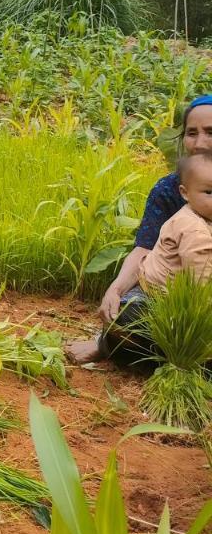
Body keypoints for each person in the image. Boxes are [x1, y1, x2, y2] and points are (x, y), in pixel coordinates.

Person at [67, 95, 212, 366]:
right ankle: (120, 344)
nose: (200, 142)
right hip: (165, 296)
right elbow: (144, 248)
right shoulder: (169, 189)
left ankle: (172, 357)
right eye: (192, 133)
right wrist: (116, 289)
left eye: (210, 132)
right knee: (127, 316)